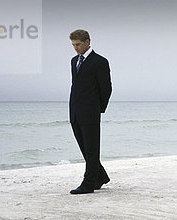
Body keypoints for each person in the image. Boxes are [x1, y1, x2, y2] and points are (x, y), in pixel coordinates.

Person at [68, 29, 112, 194]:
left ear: (87, 42)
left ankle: (88, 183)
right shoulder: (73, 61)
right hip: (74, 111)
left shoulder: (99, 62)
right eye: (73, 45)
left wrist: (97, 108)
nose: (75, 48)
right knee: (84, 148)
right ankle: (99, 176)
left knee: (92, 148)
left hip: (90, 112)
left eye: (78, 44)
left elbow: (106, 88)